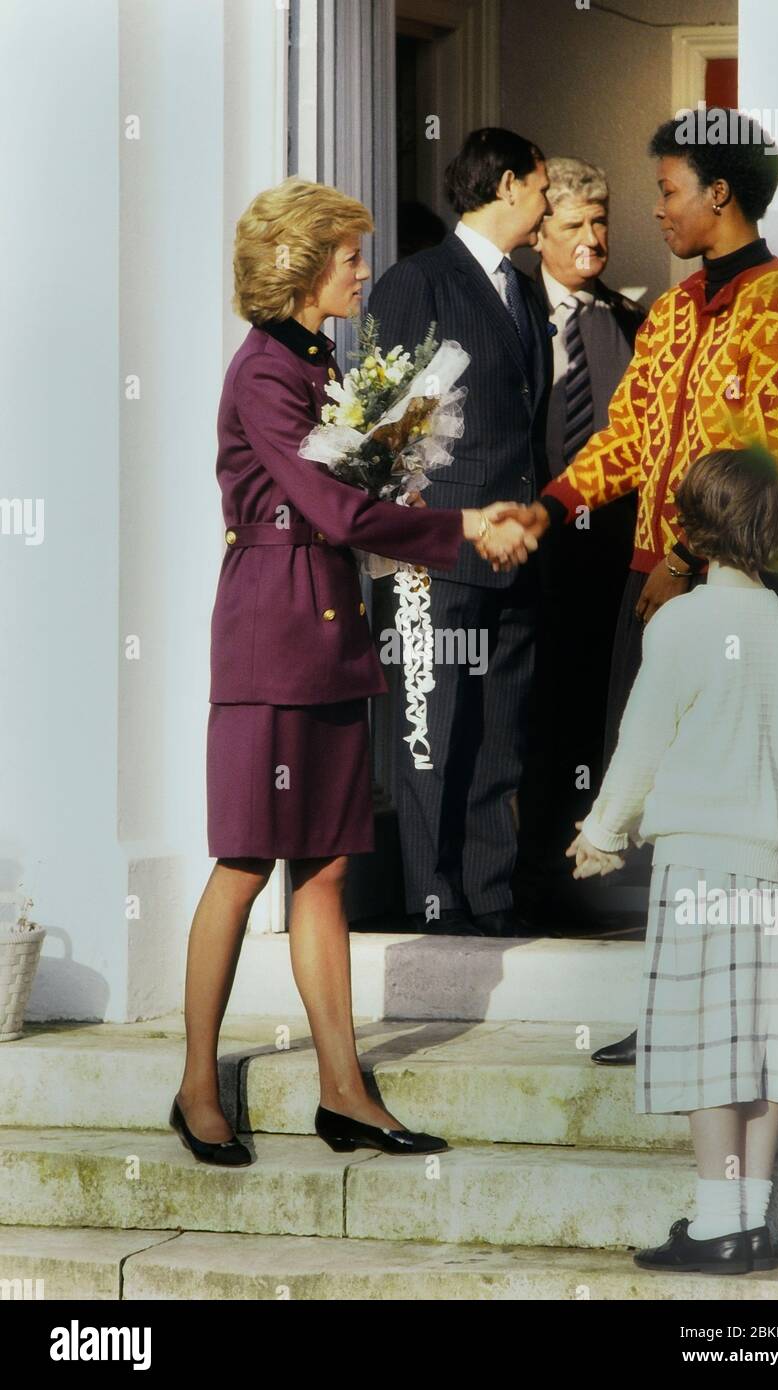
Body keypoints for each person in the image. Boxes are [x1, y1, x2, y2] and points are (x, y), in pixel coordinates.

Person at [170, 176, 537, 1167]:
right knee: (247, 862)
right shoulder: (264, 373)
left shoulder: (315, 357)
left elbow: (344, 497)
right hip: (272, 638)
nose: (363, 272)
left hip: (328, 633)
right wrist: (459, 521)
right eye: (348, 257)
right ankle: (198, 1086)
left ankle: (343, 1089)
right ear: (301, 267)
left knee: (327, 868)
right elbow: (333, 510)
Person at [510, 108, 778, 1059]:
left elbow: (765, 460)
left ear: (719, 193)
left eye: (667, 191)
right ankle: (674, 1009)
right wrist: (548, 505)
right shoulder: (670, 310)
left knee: (741, 811)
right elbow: (624, 440)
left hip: (739, 593)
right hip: (659, 589)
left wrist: (681, 561)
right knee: (673, 807)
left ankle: (748, 1020)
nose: (655, 211)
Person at [569, 448, 778, 1274]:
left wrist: (602, 831)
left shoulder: (679, 623)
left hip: (700, 865)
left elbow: (641, 745)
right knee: (761, 1046)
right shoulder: (777, 625)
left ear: (690, 527)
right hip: (765, 866)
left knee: (712, 1047)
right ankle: (754, 1221)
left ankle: (715, 1224)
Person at [368, 128, 554, 938]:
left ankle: (489, 892)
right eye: (543, 189)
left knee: (497, 735)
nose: (547, 206)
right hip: (443, 553)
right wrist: (435, 532)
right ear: (508, 185)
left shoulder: (523, 286)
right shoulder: (418, 282)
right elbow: (390, 430)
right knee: (432, 730)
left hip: (516, 548)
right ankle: (434, 900)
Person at [516, 156, 645, 918]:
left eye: (601, 222)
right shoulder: (510, 313)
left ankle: (594, 884)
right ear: (539, 232)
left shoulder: (631, 320)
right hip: (527, 549)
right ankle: (529, 882)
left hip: (606, 558)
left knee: (604, 712)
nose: (592, 239)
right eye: (573, 225)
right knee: (532, 720)